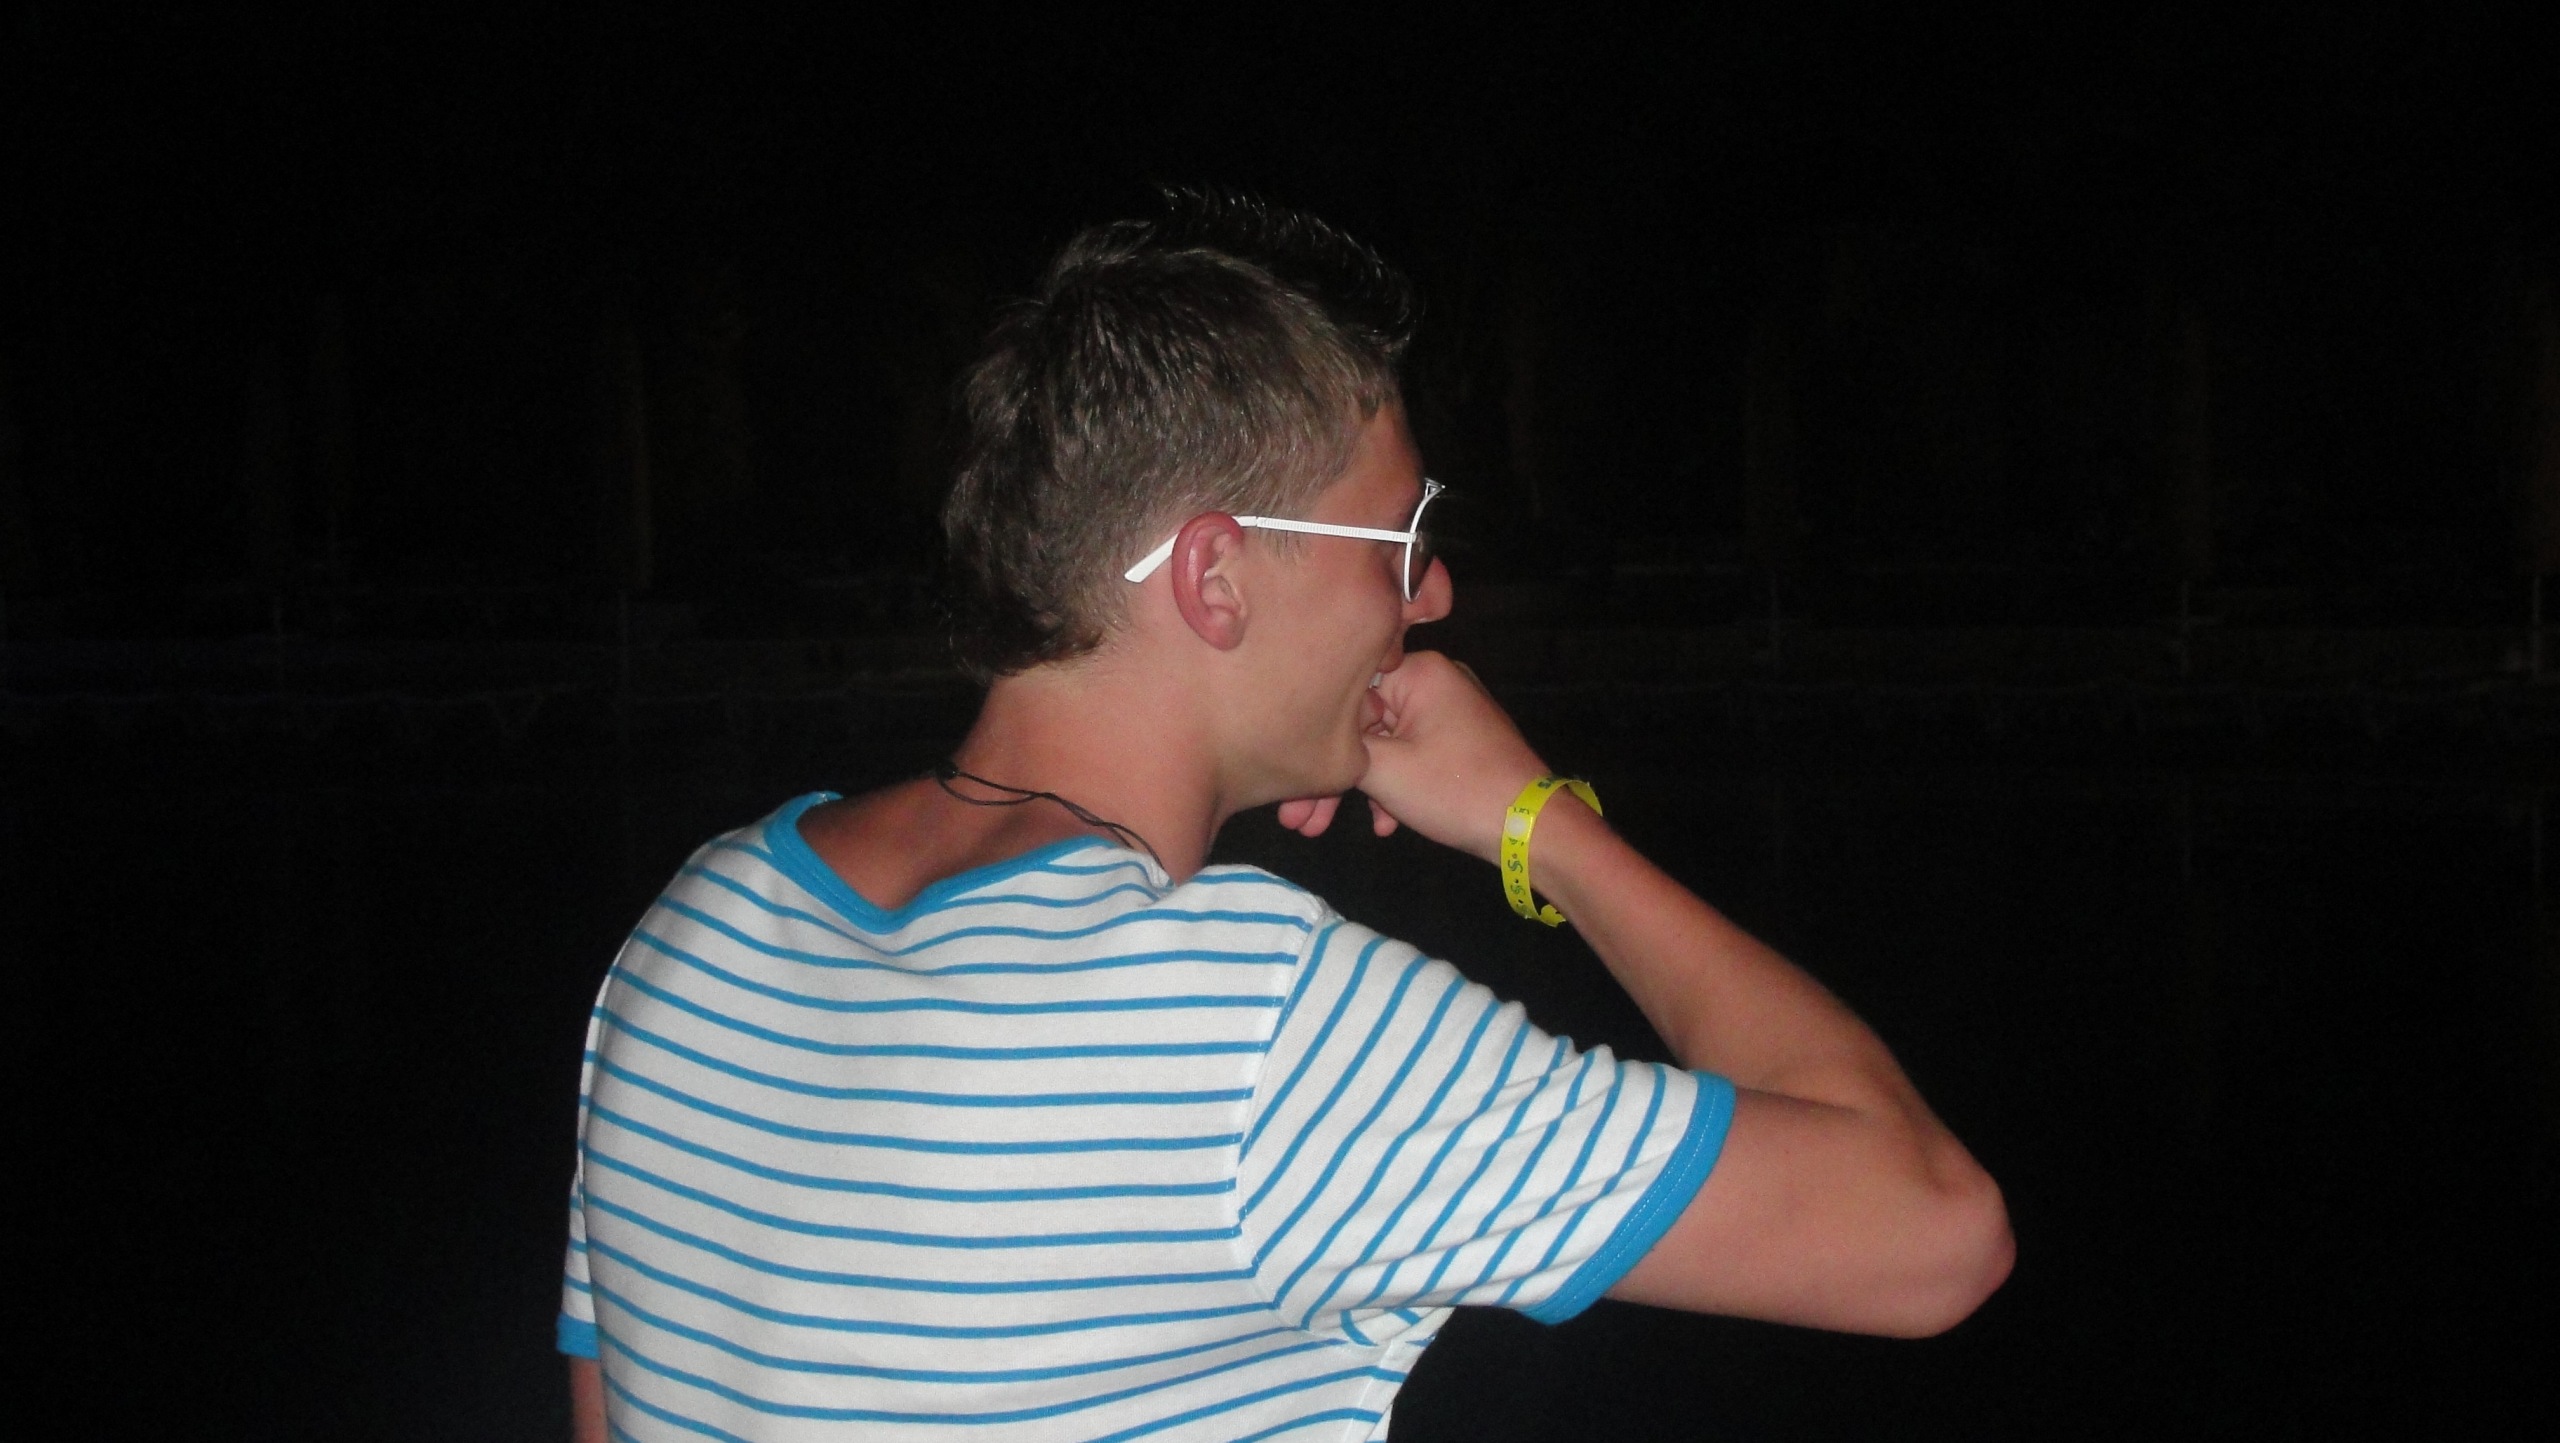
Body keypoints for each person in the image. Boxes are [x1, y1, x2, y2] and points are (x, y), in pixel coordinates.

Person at [556, 192, 2011, 1442]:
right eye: (1402, 539)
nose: (1432, 593)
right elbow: (1931, 1231)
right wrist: (1539, 825)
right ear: (1215, 579)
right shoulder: (1253, 1031)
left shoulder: (695, 934)